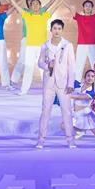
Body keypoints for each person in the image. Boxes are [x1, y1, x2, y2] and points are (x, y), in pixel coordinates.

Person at [4, 0, 64, 95]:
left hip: (43, 47)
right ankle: (24, 90)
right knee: (28, 68)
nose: (35, 5)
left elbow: (54, 6)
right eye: (33, 4)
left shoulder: (44, 15)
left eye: (37, 3)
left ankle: (49, 89)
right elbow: (16, 6)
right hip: (30, 46)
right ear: (30, 7)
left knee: (44, 69)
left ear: (40, 6)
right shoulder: (27, 15)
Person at [36, 19, 76, 149]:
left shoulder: (67, 45)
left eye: (59, 29)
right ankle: (41, 139)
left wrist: (71, 84)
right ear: (51, 30)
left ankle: (70, 140)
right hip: (49, 82)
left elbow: (72, 66)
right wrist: (47, 65)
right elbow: (40, 62)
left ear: (62, 30)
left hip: (63, 83)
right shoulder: (45, 45)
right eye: (55, 28)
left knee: (67, 111)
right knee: (45, 110)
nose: (57, 31)